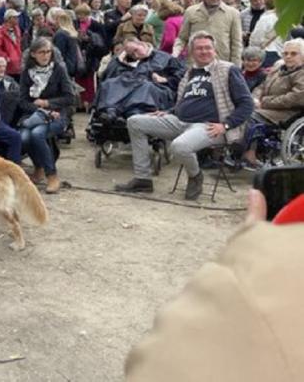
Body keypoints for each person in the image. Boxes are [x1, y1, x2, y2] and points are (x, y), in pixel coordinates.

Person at [124, 188, 304, 382]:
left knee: (181, 154)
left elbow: (163, 368)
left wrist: (247, 257)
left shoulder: (262, 287)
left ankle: (193, 176)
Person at [116, 31, 253, 199]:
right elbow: (186, 100)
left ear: (215, 50)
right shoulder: (190, 73)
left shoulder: (228, 70)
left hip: (209, 127)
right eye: (199, 49)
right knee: (134, 121)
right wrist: (169, 112)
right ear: (191, 52)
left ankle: (195, 176)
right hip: (179, 121)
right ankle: (143, 179)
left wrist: (225, 125)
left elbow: (247, 104)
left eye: (208, 48)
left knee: (179, 146)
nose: (204, 52)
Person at [17, 38, 75, 193]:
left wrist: (47, 104)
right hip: (32, 115)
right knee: (24, 137)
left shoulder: (58, 69)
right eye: (41, 52)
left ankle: (52, 176)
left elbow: (70, 97)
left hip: (57, 114)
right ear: (34, 54)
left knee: (37, 134)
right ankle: (39, 167)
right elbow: (22, 101)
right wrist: (39, 109)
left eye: (48, 51)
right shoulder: (26, 73)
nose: (45, 55)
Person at [241, 39, 304, 168]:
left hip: (288, 112)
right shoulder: (278, 68)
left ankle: (250, 153)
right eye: (285, 53)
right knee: (237, 111)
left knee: (249, 117)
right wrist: (255, 99)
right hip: (267, 106)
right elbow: (262, 86)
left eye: (293, 54)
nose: (288, 56)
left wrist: (264, 102)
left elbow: (295, 98)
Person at [173, 0, 242, 64]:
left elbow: (236, 44)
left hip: (221, 64)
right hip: (195, 65)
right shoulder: (191, 12)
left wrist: (236, 67)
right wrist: (175, 53)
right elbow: (182, 38)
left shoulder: (233, 13)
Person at [75, 4, 105, 110]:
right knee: (78, 79)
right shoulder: (75, 24)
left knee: (89, 80)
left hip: (91, 57)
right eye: (78, 14)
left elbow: (101, 42)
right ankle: (80, 102)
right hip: (78, 56)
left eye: (82, 14)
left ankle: (90, 102)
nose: (80, 17)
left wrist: (89, 39)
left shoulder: (96, 25)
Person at [249, 0, 283, 67]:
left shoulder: (266, 18)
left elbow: (256, 39)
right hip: (285, 54)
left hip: (269, 54)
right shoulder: (291, 19)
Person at [49, 8, 80, 78]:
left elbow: (59, 53)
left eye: (55, 19)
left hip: (63, 68)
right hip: (71, 66)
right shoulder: (71, 33)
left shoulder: (61, 34)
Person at [0, 55, 21, 127]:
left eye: (4, 67)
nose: (2, 69)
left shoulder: (9, 80)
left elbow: (19, 93)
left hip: (9, 111)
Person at [0, 9, 23, 77]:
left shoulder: (17, 30)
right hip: (7, 68)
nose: (18, 19)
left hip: (18, 65)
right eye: (15, 17)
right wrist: (7, 58)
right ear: (9, 19)